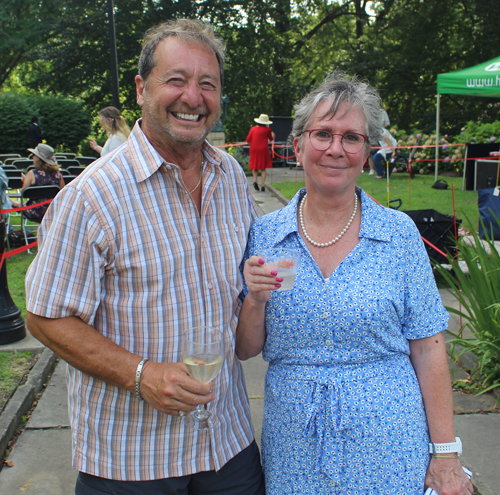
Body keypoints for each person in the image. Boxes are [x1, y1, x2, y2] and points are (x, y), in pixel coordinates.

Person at [25, 18, 265, 495]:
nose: (192, 97)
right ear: (141, 88)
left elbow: (244, 293)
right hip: (131, 460)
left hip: (226, 443)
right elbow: (46, 318)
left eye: (207, 84)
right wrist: (143, 375)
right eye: (176, 80)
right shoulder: (92, 197)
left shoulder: (232, 179)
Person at [236, 71, 473, 495]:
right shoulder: (266, 235)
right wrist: (254, 300)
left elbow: (428, 346)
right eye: (323, 134)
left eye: (351, 138)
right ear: (298, 145)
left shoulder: (398, 235)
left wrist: (446, 454)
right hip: (295, 448)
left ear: (366, 153)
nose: (336, 149)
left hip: (390, 447)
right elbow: (247, 348)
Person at [22, 144, 65, 223]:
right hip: (54, 211)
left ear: (38, 158)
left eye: (34, 155)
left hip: (34, 212)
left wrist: (25, 180)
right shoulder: (58, 174)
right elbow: (62, 192)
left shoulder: (32, 174)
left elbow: (24, 193)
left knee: (16, 204)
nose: (32, 157)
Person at [247, 114, 275, 192]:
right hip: (263, 149)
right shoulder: (267, 129)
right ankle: (263, 185)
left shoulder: (253, 129)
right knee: (263, 167)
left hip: (254, 149)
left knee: (255, 166)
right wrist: (273, 135)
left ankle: (255, 181)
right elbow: (271, 138)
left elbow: (248, 139)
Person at [373, 109, 398, 178]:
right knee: (374, 156)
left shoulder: (380, 130)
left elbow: (388, 140)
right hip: (386, 148)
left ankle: (380, 175)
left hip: (392, 147)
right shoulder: (376, 130)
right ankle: (380, 173)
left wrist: (393, 152)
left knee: (376, 157)